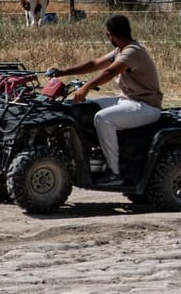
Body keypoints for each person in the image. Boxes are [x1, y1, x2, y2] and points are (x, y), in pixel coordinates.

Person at [48, 14, 163, 182]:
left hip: (146, 106)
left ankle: (114, 172)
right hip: (128, 100)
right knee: (85, 107)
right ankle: (90, 154)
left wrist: (86, 88)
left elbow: (110, 72)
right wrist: (62, 72)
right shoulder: (121, 49)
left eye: (107, 34)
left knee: (103, 118)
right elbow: (94, 64)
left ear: (111, 35)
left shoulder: (132, 52)